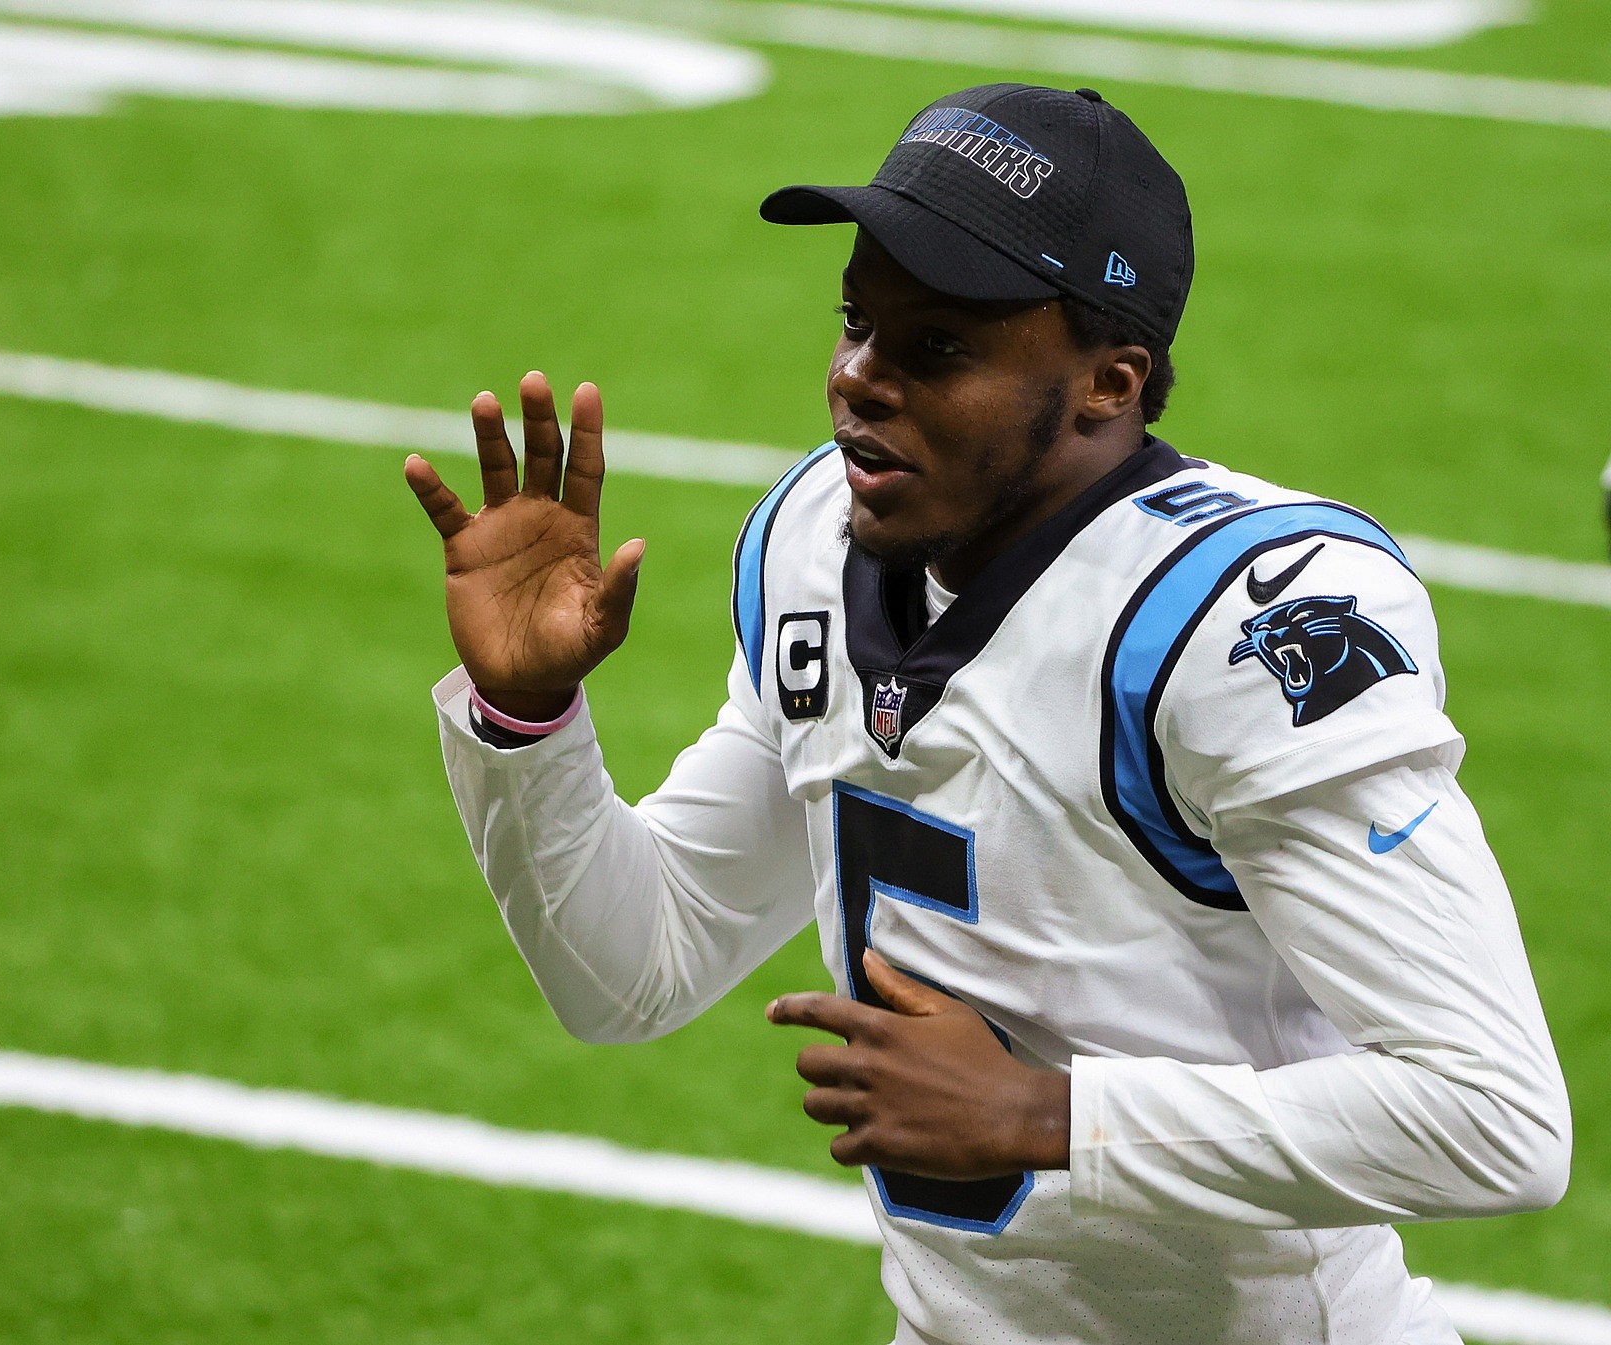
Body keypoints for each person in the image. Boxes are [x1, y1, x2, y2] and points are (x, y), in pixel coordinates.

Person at [404, 83, 1570, 1343]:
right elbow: (635, 971)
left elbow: (1495, 1117)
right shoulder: (813, 545)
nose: (858, 378)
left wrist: (1044, 1115)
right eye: (857, 321)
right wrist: (528, 715)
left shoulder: (1230, 626)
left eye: (938, 347)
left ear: (1109, 382)